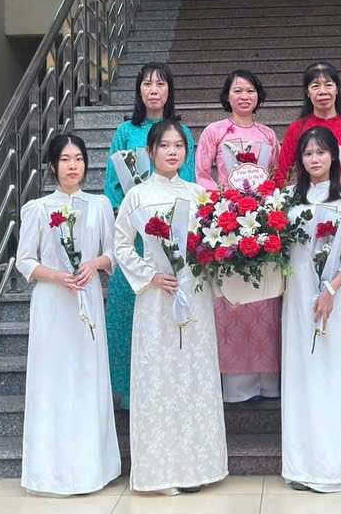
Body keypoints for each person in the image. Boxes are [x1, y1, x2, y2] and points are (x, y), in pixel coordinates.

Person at [114, 118, 228, 493]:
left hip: (193, 294)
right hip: (155, 299)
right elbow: (121, 246)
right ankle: (160, 472)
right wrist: (151, 276)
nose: (172, 151)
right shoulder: (137, 196)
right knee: (158, 379)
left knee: (194, 375)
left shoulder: (198, 194)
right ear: (150, 151)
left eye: (179, 145)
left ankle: (198, 468)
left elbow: (212, 244)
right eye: (164, 145)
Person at [14, 134, 121, 495]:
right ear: (52, 166)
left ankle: (90, 469)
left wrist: (94, 264)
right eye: (64, 159)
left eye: (78, 159)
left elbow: (113, 254)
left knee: (87, 376)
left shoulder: (100, 205)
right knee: (52, 380)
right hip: (52, 302)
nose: (72, 165)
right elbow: (24, 261)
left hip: (87, 298)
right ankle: (50, 472)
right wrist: (57, 276)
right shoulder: (37, 209)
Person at [103, 63, 197, 409]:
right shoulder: (125, 132)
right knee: (129, 312)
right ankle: (131, 392)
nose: (154, 90)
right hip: (137, 235)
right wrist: (135, 214)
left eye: (160, 83)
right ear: (138, 90)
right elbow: (112, 185)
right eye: (147, 83)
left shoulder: (182, 133)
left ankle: (172, 386)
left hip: (173, 236)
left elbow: (189, 181)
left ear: (170, 90)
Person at [273, 61, 341, 368]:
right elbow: (280, 177)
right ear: (307, 91)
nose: (322, 91)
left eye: (328, 84)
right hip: (305, 223)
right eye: (315, 85)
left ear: (337, 88)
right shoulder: (297, 129)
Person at [280, 126, 341, 492]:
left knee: (332, 375)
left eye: (321, 152)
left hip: (333, 299)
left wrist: (330, 290)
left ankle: (335, 468)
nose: (314, 159)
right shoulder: (289, 199)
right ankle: (302, 467)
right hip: (297, 296)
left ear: (334, 157)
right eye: (308, 153)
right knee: (301, 376)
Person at [194, 69, 282, 402]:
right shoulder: (215, 132)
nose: (244, 96)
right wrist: (221, 210)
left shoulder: (268, 135)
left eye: (250, 90)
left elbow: (276, 176)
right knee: (231, 305)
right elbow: (203, 174)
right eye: (237, 90)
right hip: (228, 223)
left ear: (258, 95)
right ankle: (236, 388)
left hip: (262, 225)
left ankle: (268, 383)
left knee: (265, 305)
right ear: (227, 96)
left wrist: (266, 212)